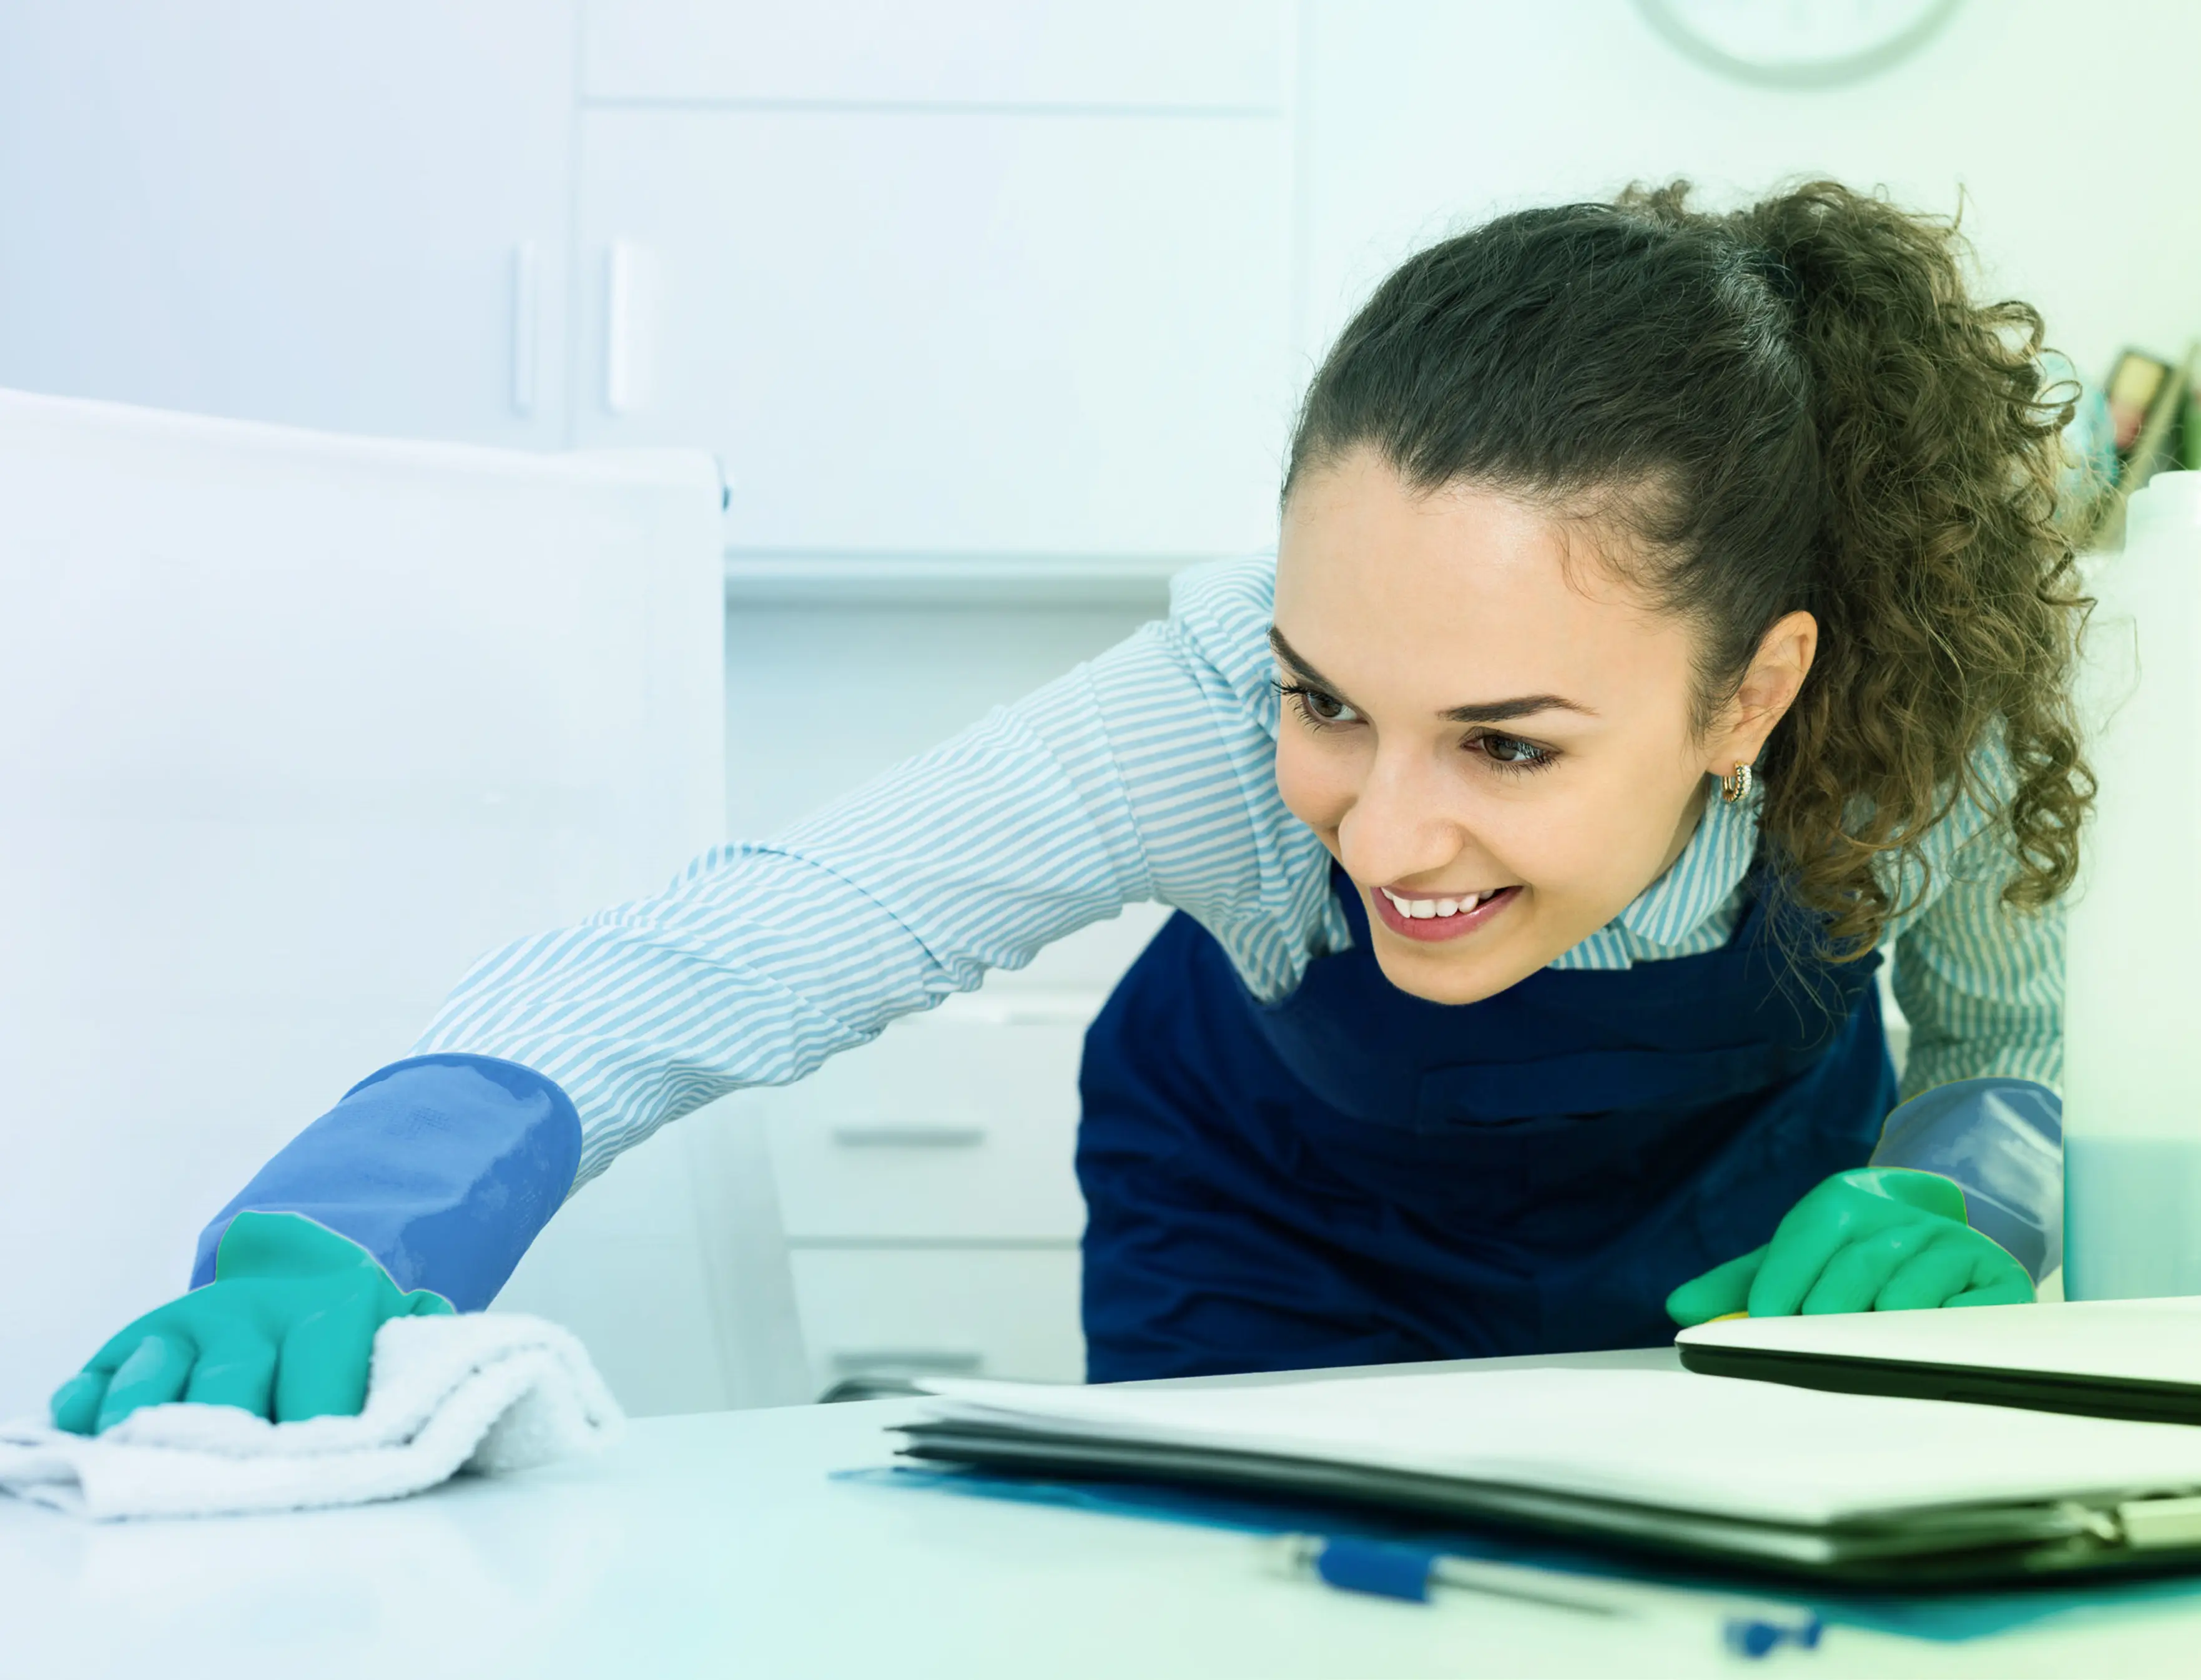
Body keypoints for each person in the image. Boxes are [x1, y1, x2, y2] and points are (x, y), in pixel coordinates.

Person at [52, 180, 2090, 1432]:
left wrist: (1964, 1192)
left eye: (1508, 746)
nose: (1384, 836)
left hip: (1734, 1263)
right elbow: (776, 930)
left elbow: (2010, 1040)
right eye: (1328, 701)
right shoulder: (1198, 716)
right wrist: (348, 1220)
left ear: (1756, 692)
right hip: (1275, 1254)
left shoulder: (1916, 741)